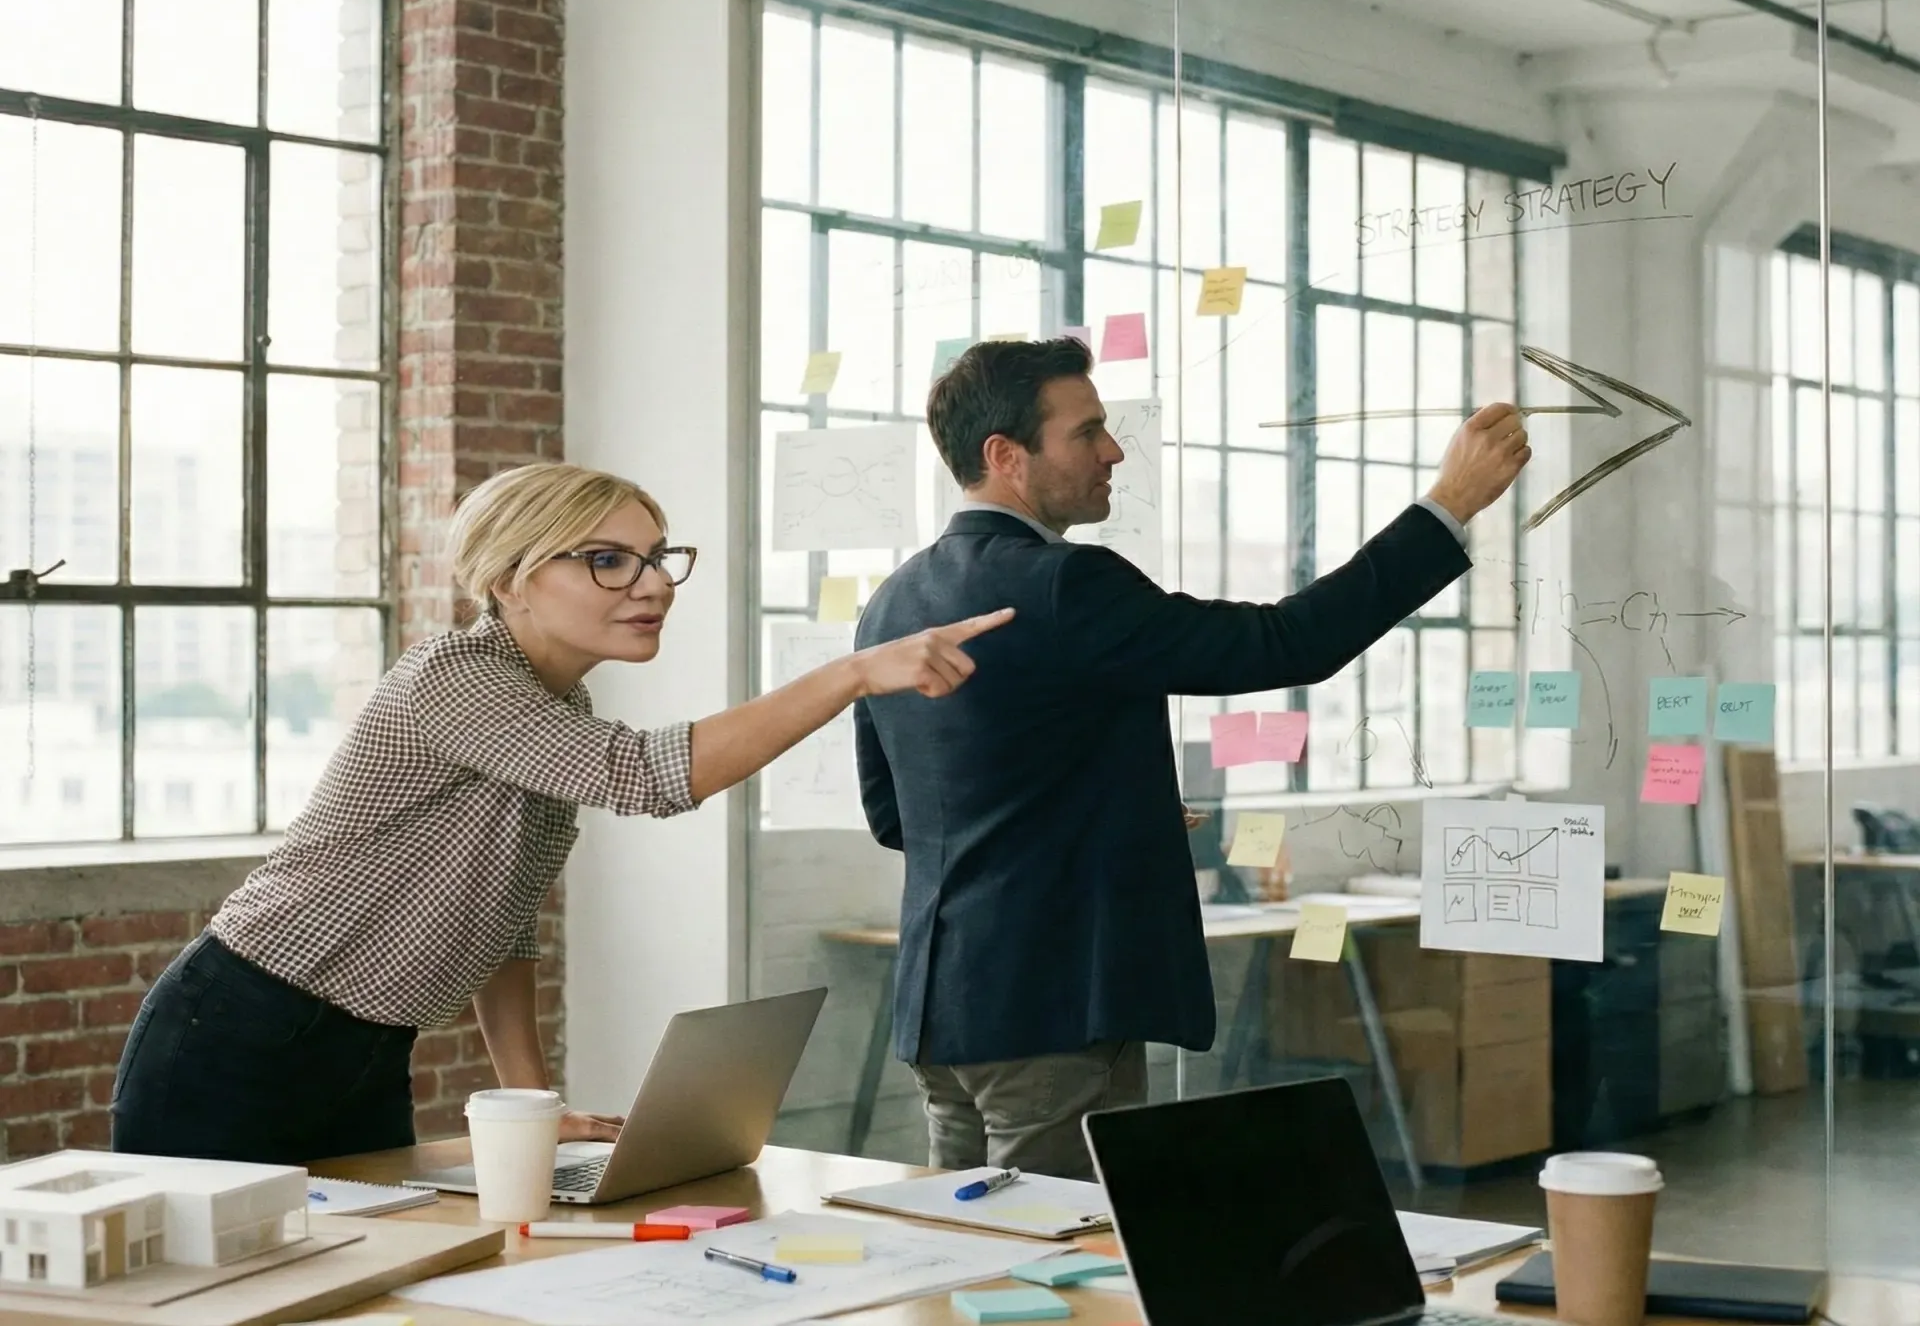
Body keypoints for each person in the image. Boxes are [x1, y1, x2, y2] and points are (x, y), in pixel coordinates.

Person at [111, 463, 1010, 1166]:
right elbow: (651, 776)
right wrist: (853, 671)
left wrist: (533, 1109)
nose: (652, 583)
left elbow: (504, 930)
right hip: (238, 1030)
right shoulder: (455, 680)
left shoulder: (556, 714)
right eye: (608, 560)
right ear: (509, 580)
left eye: (659, 556)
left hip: (365, 1046)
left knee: (358, 1279)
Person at [853, 337, 1528, 1178]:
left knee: (964, 1262)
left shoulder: (890, 605)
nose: (1113, 450)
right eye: (1087, 431)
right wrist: (1448, 504)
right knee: (1051, 1274)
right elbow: (1288, 642)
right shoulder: (1066, 583)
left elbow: (900, 816)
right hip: (1053, 1009)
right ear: (1005, 456)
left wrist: (1110, 809)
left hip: (942, 1010)